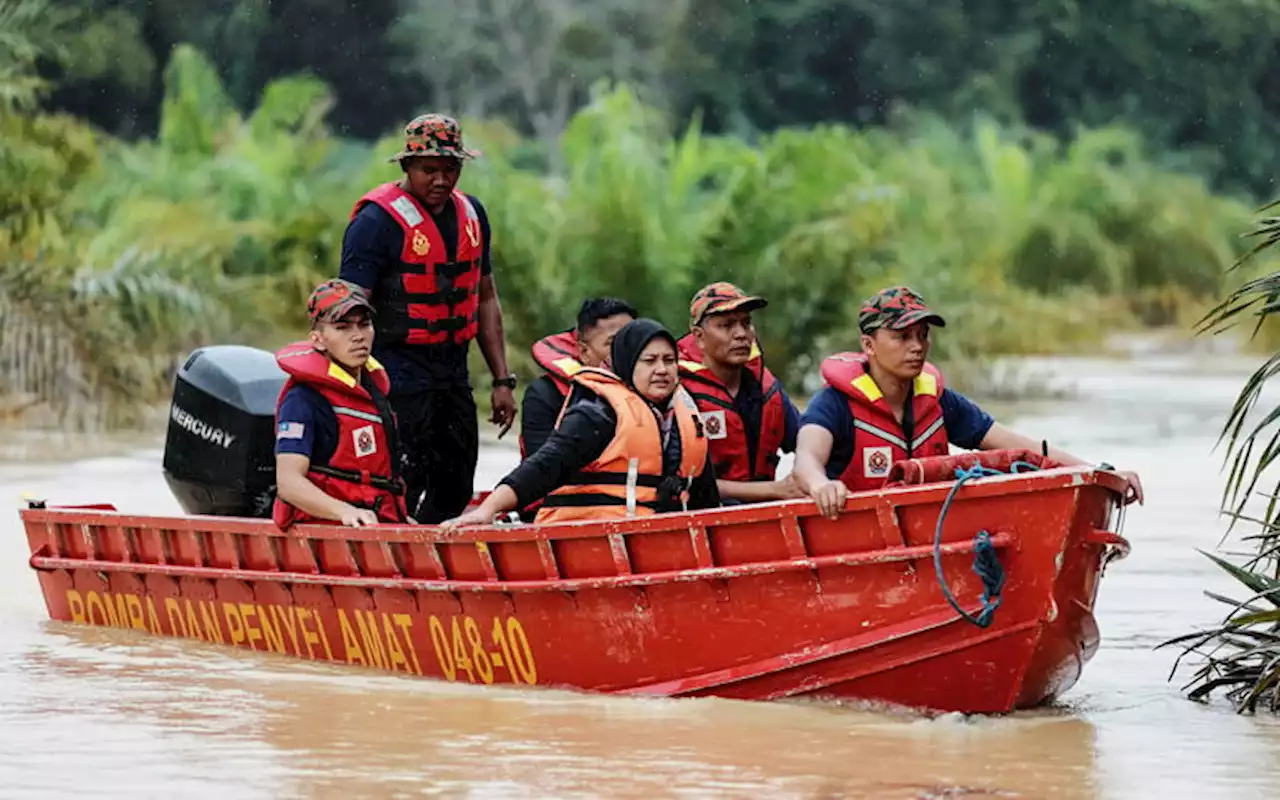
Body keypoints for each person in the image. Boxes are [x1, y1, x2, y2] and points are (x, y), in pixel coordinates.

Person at [792, 286, 1146, 520]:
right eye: (901, 337)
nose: (917, 346)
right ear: (868, 345)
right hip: (858, 536)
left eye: (922, 335)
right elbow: (807, 458)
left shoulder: (938, 401)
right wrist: (822, 486)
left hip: (928, 535)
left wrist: (1097, 472)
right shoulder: (834, 403)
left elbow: (1019, 446)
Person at [338, 113, 516, 524]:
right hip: (395, 369)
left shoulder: (473, 214)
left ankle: (436, 562)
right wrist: (350, 387)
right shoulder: (374, 222)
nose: (440, 180)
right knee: (402, 479)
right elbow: (347, 311)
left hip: (452, 368)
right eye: (429, 170)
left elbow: (485, 297)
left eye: (450, 169)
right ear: (406, 167)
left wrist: (502, 380)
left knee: (456, 481)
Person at [441, 318, 720, 529]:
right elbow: (544, 466)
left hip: (656, 542)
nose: (661, 370)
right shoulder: (598, 414)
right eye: (649, 361)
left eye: (669, 361)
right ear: (626, 364)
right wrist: (487, 511)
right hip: (587, 540)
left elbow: (706, 498)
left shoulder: (687, 419)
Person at [272, 279, 409, 529]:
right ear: (318, 339)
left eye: (364, 325)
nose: (358, 336)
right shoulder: (302, 399)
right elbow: (288, 482)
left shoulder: (374, 394)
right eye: (343, 327)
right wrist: (344, 511)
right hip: (327, 527)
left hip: (377, 522)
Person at [677, 282, 805, 503]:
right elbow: (681, 481)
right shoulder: (678, 392)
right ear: (699, 337)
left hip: (766, 519)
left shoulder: (767, 387)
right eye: (726, 325)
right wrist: (775, 490)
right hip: (703, 519)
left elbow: (808, 444)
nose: (741, 334)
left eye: (746, 323)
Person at [520, 296, 638, 460]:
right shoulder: (546, 394)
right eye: (613, 343)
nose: (627, 350)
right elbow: (539, 468)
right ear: (584, 353)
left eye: (633, 340)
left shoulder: (659, 391)